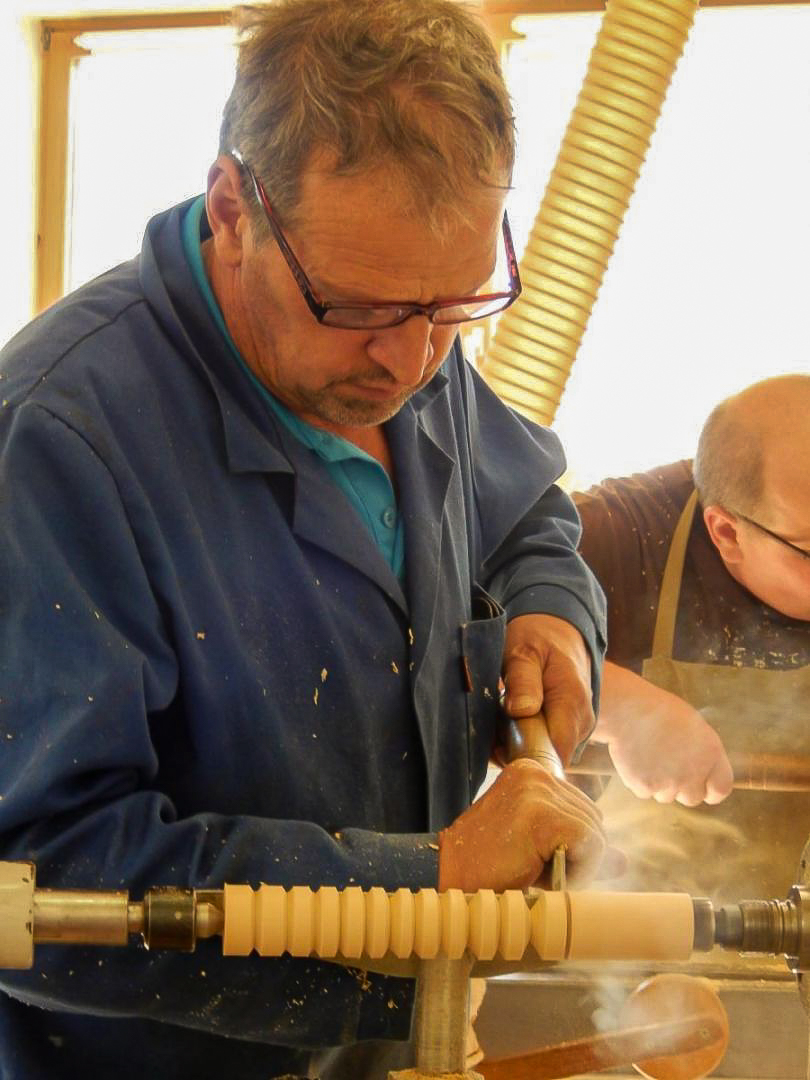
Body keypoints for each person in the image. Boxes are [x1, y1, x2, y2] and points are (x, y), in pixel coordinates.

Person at [0, 2, 615, 1076]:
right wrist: (423, 886)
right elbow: (38, 877)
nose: (412, 364)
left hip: (384, 1041)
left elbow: (528, 518)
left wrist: (553, 614)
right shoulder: (56, 443)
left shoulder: (402, 331)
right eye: (362, 308)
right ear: (233, 208)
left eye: (455, 306)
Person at [574, 374, 810, 900]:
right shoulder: (616, 534)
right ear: (727, 532)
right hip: (631, 922)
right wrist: (621, 705)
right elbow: (449, 644)